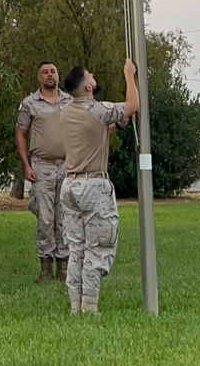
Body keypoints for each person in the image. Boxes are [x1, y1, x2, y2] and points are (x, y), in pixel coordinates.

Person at [58, 58, 139, 316]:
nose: (94, 76)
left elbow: (95, 131)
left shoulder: (67, 111)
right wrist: (129, 75)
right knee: (98, 247)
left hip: (70, 186)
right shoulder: (96, 109)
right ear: (88, 88)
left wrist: (117, 125)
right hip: (94, 186)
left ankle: (75, 306)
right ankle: (90, 307)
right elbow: (133, 105)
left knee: (76, 248)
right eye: (90, 75)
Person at [15, 63, 72, 282]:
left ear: (58, 75)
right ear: (39, 77)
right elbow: (20, 133)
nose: (50, 75)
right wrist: (26, 165)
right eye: (45, 72)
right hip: (42, 166)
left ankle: (64, 267)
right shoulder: (30, 104)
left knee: (65, 216)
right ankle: (46, 266)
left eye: (53, 71)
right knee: (45, 218)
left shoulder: (69, 102)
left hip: (67, 165)